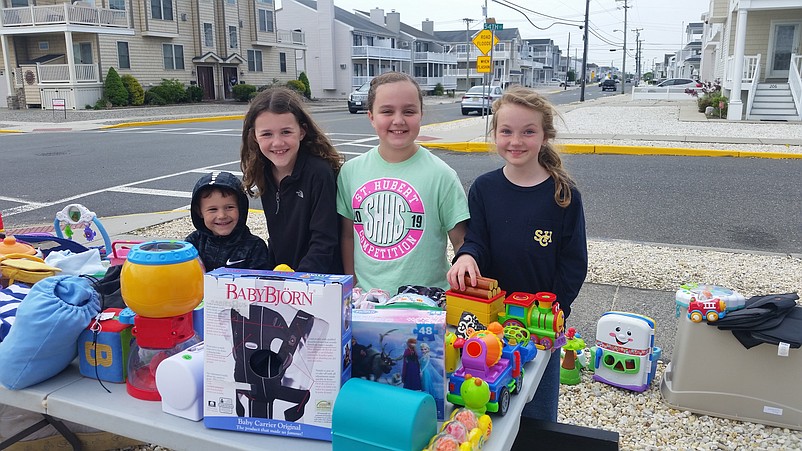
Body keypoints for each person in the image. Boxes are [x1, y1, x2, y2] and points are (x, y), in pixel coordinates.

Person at [446, 85, 588, 422]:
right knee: (488, 400)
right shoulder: (484, 188)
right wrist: (466, 257)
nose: (516, 141)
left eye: (528, 131)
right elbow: (477, 241)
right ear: (494, 134)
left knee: (538, 414)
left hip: (539, 327)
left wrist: (554, 312)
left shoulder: (563, 195)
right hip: (491, 322)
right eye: (506, 131)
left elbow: (573, 263)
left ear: (545, 135)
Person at [336, 72, 469, 294]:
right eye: (387, 111)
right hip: (368, 301)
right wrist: (352, 283)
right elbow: (348, 235)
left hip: (428, 302)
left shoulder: (441, 175)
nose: (398, 120)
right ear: (371, 116)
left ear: (421, 114)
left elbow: (461, 242)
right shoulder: (350, 172)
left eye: (409, 111)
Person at [240, 87, 343, 274]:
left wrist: (298, 280)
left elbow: (324, 240)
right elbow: (277, 235)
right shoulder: (264, 170)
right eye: (267, 134)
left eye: (286, 132)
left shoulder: (319, 173)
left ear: (302, 132)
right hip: (286, 274)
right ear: (254, 136)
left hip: (318, 279)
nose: (277, 143)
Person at [185, 171, 269, 271]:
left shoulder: (255, 247)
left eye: (229, 207)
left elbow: (260, 283)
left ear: (241, 208)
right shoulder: (193, 243)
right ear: (199, 212)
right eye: (213, 209)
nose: (222, 215)